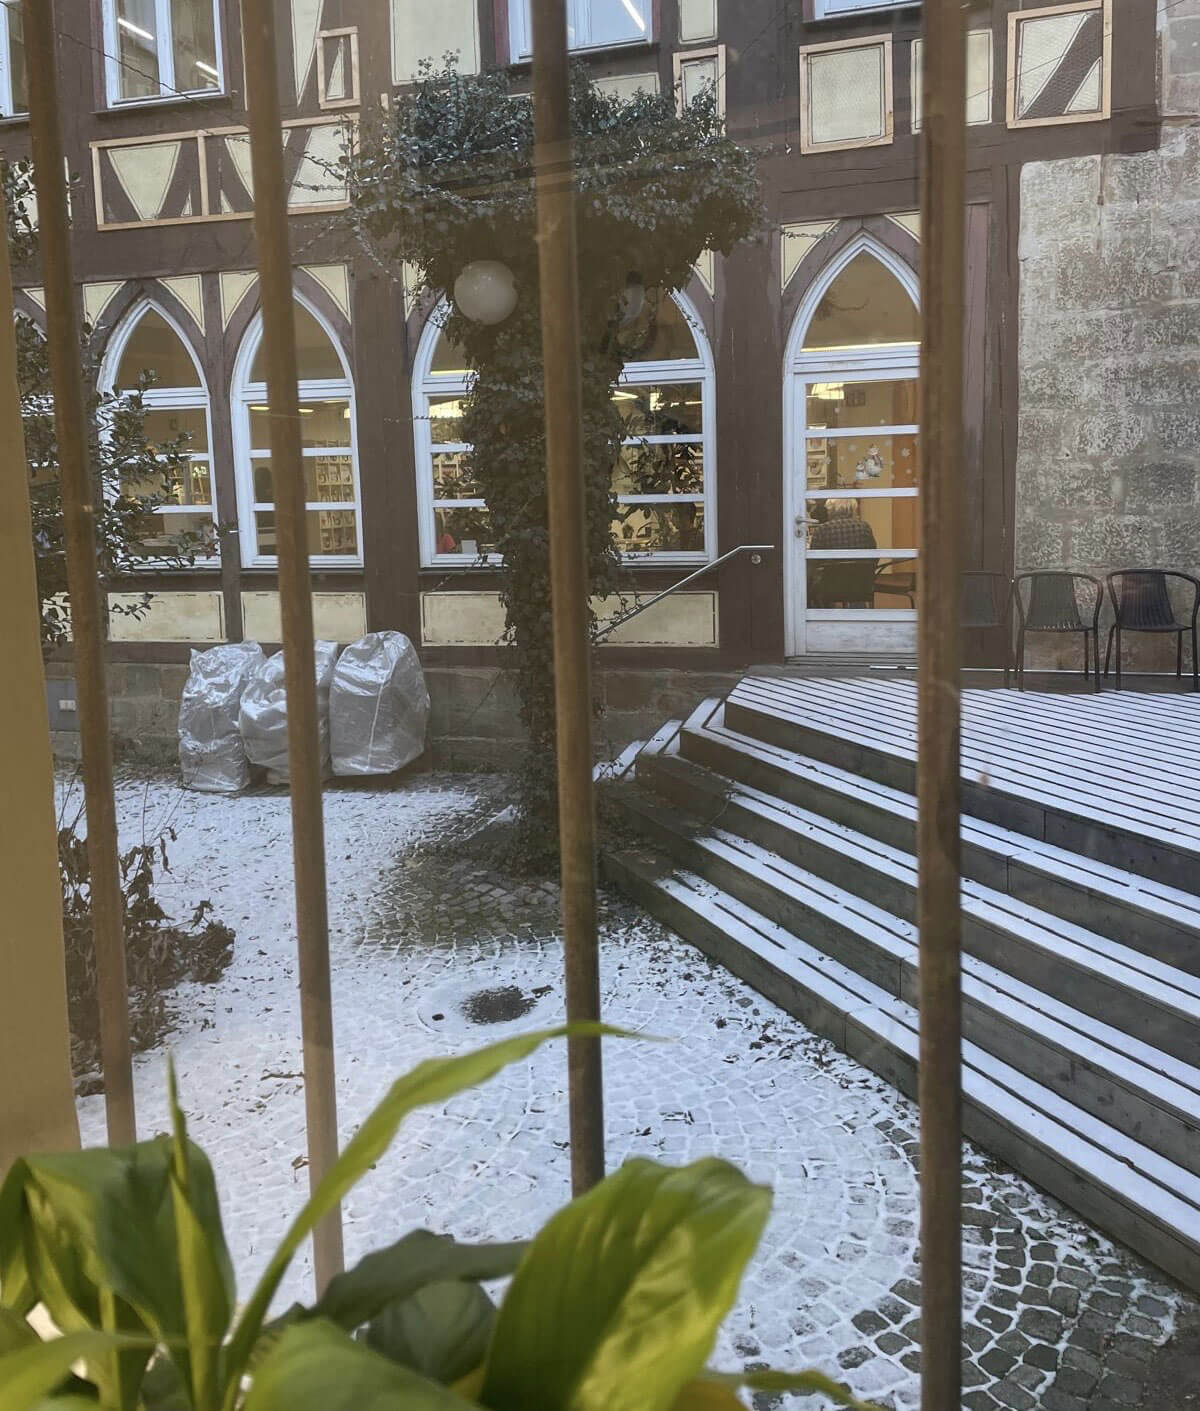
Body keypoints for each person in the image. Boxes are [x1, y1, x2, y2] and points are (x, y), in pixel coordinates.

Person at [809, 499, 877, 607]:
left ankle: (821, 615)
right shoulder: (864, 527)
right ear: (852, 509)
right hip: (859, 582)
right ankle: (860, 614)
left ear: (831, 510)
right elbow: (873, 554)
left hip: (830, 584)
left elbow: (813, 560)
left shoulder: (822, 529)